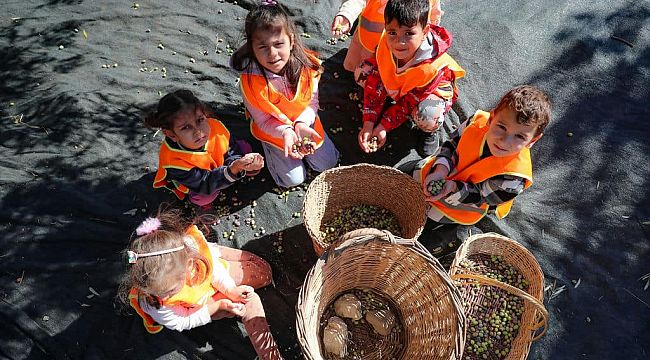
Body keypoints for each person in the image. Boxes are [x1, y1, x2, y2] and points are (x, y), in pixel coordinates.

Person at [118, 208, 283, 360]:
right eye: (161, 293)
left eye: (170, 290)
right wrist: (219, 306)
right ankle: (270, 356)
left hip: (206, 264)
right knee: (254, 293)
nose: (164, 296)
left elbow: (214, 270)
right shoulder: (155, 302)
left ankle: (217, 256)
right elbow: (183, 320)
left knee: (263, 270)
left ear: (190, 266)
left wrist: (231, 289)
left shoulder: (189, 248)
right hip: (200, 305)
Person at [400, 85, 552, 227]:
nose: (504, 141)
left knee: (421, 219)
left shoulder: (513, 180)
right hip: (443, 171)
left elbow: (479, 195)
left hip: (462, 202)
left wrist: (452, 187)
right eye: (501, 127)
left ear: (532, 141)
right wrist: (440, 170)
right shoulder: (476, 122)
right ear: (491, 119)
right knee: (404, 175)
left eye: (519, 136)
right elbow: (452, 144)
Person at [231, 1, 339, 188]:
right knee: (293, 180)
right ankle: (271, 149)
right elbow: (264, 120)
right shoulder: (250, 82)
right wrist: (287, 132)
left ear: (291, 41)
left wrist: (302, 125)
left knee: (327, 164)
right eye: (263, 47)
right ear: (252, 48)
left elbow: (311, 102)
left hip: (305, 123)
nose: (273, 54)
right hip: (276, 132)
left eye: (278, 43)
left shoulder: (307, 66)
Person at [355, 0, 465, 157]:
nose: (400, 42)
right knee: (363, 72)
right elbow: (375, 77)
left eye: (409, 33)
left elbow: (408, 102)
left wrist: (383, 126)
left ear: (425, 31)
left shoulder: (430, 68)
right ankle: (382, 103)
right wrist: (369, 122)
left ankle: (429, 131)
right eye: (392, 32)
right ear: (386, 28)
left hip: (427, 93)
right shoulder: (385, 43)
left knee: (428, 116)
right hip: (400, 84)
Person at [145, 89, 264, 207]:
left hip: (219, 166)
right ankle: (200, 205)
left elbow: (230, 149)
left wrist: (241, 162)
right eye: (186, 127)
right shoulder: (175, 161)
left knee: (244, 147)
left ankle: (241, 169)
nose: (198, 131)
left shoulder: (215, 127)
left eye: (200, 120)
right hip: (200, 183)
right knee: (203, 198)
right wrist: (233, 168)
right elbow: (204, 183)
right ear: (171, 134)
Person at [330, 0, 443, 72]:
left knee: (380, 74)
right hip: (368, 40)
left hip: (398, 49)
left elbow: (433, 14)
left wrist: (429, 35)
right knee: (352, 66)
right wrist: (346, 15)